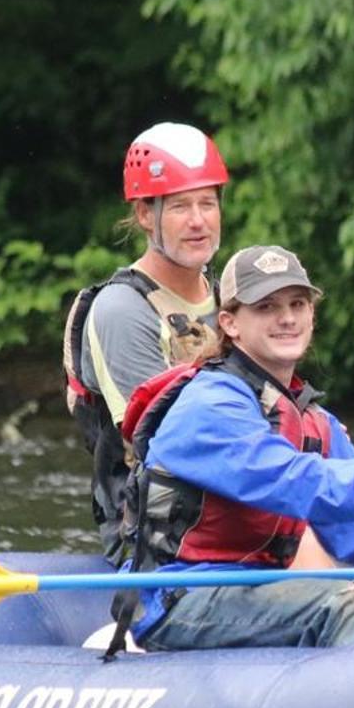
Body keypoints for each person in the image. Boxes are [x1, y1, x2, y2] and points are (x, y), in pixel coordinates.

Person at [120, 244, 354, 651]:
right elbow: (291, 480)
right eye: (266, 307)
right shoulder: (209, 403)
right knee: (340, 603)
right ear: (229, 322)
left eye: (297, 304)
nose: (286, 318)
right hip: (180, 597)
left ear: (312, 316)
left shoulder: (313, 420)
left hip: (261, 588)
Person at [62, 122, 228, 564]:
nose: (198, 221)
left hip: (234, 509)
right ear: (143, 215)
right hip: (154, 534)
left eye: (207, 204)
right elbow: (166, 443)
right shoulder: (122, 309)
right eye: (178, 207)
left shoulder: (231, 297)